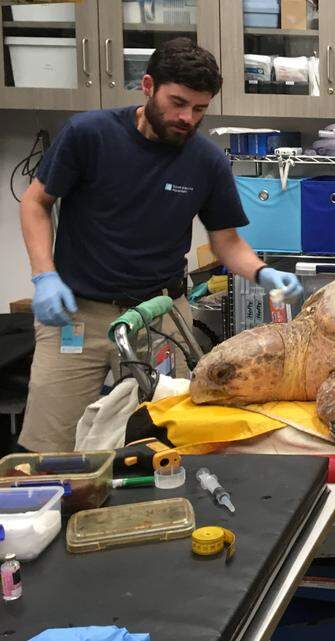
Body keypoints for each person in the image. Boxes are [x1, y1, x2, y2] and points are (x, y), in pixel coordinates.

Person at [17, 38, 301, 453]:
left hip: (160, 316)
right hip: (78, 314)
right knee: (49, 447)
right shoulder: (88, 135)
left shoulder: (205, 161)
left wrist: (261, 271)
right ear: (148, 86)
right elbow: (36, 202)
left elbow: (225, 241)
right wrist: (44, 275)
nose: (187, 118)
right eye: (178, 103)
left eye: (200, 109)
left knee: (167, 442)